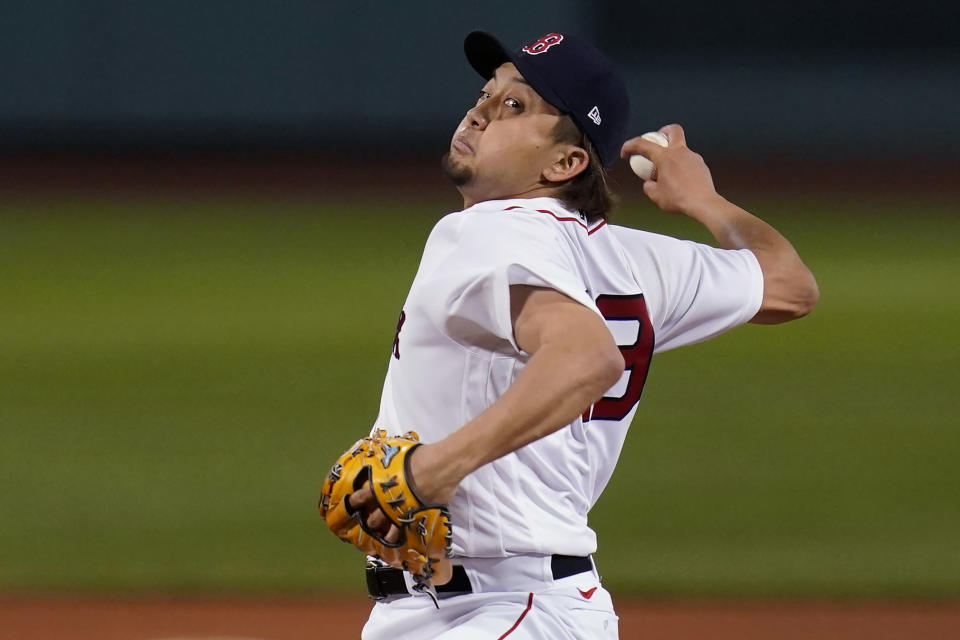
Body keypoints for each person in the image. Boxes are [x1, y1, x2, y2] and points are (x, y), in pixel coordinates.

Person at [351, 30, 819, 640]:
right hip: (536, 606)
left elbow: (585, 356)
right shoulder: (630, 260)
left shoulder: (490, 230)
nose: (481, 110)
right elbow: (789, 286)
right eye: (487, 94)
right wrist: (706, 201)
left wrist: (435, 469)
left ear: (566, 163)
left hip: (502, 609)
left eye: (515, 106)